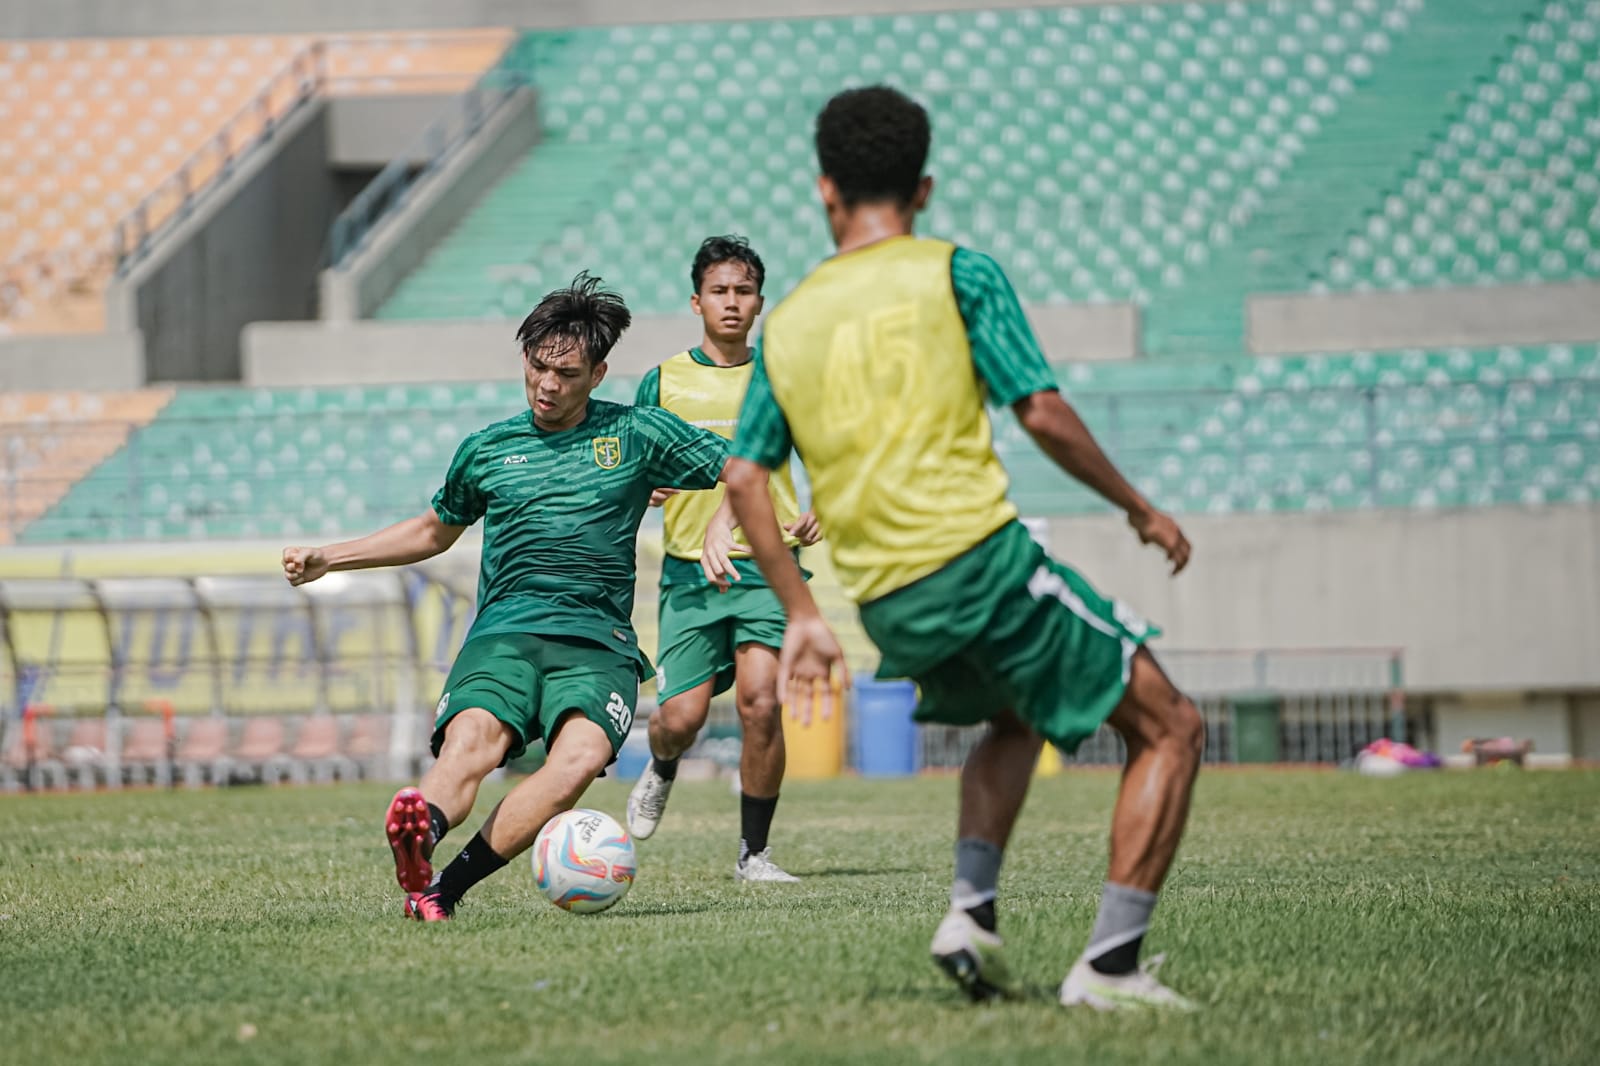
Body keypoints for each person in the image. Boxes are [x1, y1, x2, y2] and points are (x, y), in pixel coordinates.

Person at [721, 86, 1205, 1010]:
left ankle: (971, 914)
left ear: (826, 191)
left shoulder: (791, 321)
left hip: (888, 599)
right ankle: (1110, 968)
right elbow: (1043, 412)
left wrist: (802, 616)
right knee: (1172, 728)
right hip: (978, 561)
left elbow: (745, 478)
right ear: (925, 187)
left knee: (1016, 719)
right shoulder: (957, 274)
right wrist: (1140, 507)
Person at [282, 273, 735, 922]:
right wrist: (331, 557)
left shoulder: (638, 435)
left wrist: (721, 518)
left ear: (599, 373)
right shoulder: (490, 449)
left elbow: (743, 463)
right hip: (505, 635)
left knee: (576, 760)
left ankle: (443, 891)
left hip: (596, 646)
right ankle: (422, 834)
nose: (548, 385)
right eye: (537, 366)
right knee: (474, 742)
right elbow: (433, 530)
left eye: (568, 373)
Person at [625, 235, 822, 883]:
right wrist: (644, 485)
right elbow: (636, 461)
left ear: (760, 304)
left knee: (761, 702)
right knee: (677, 720)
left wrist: (829, 500)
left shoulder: (782, 374)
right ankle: (662, 764)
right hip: (689, 572)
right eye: (719, 291)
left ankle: (753, 855)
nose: (731, 303)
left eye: (743, 292)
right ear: (696, 301)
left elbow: (825, 453)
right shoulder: (662, 380)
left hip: (769, 566)